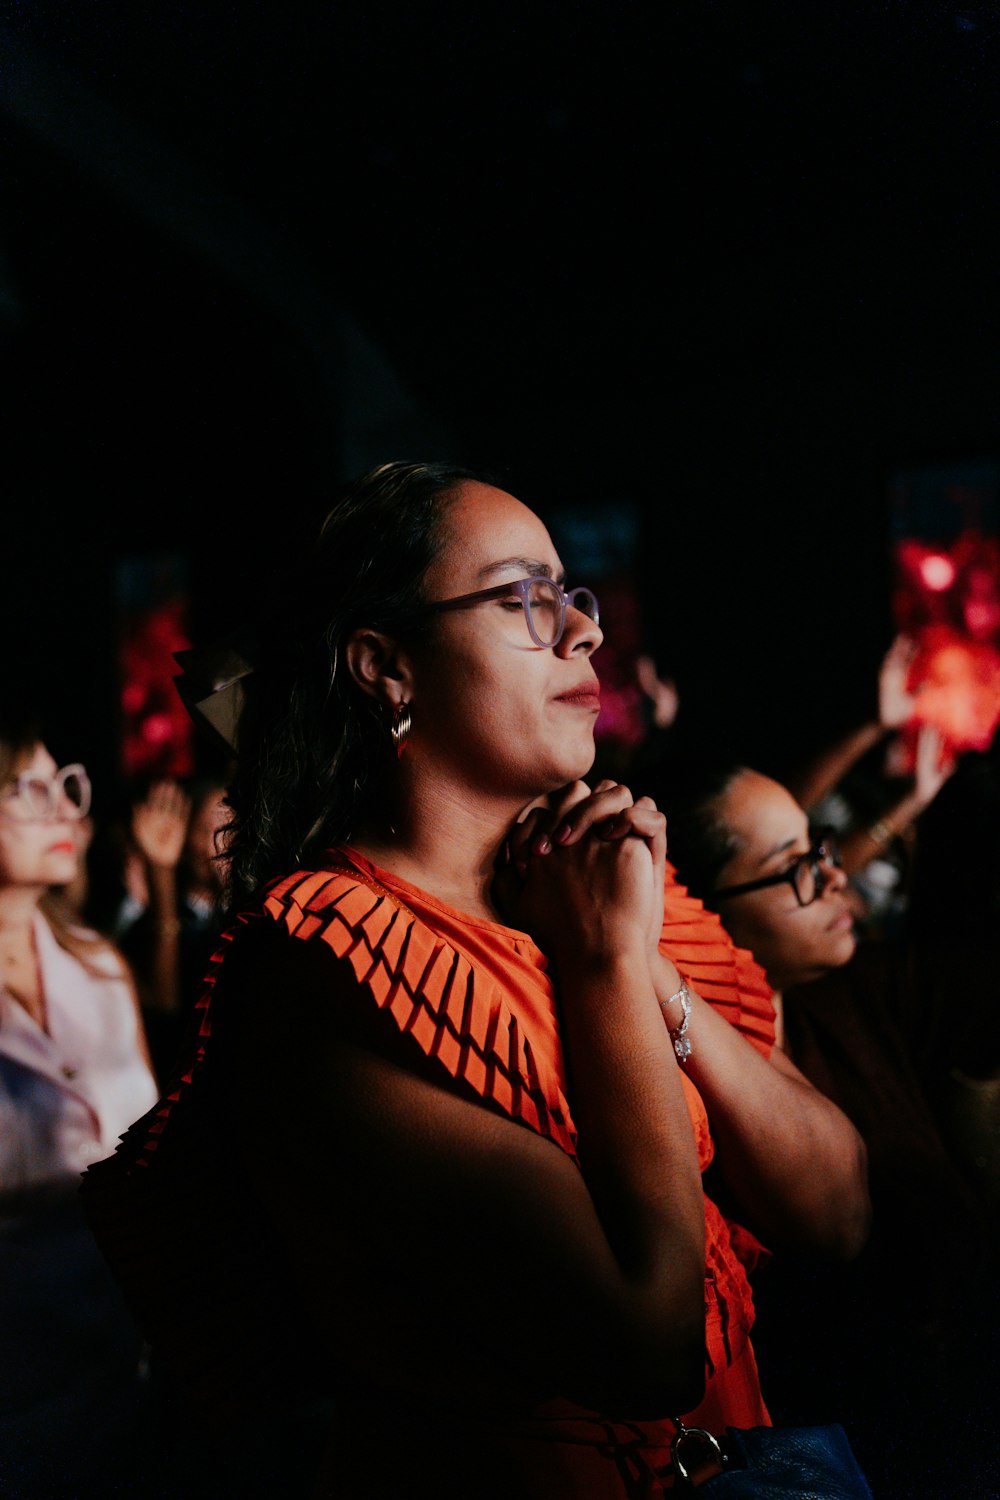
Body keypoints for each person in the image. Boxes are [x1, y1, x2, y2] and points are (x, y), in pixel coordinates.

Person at [80, 461, 870, 1500]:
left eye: (571, 595)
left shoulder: (602, 880)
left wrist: (641, 966)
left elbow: (839, 1209)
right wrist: (598, 970)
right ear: (384, 668)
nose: (582, 631)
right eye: (520, 598)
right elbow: (647, 1337)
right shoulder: (323, 958)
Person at [649, 756, 1000, 1500]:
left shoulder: (850, 990)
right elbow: (841, 1226)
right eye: (795, 865)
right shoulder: (690, 1086)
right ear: (701, 911)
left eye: (821, 849)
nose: (837, 876)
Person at [0, 707, 162, 1499]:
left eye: (67, 784)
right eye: (29, 789)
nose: (67, 807)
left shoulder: (97, 965)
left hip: (132, 1370)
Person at [119, 774, 231, 1084]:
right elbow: (164, 1005)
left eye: (233, 822)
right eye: (212, 827)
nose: (227, 837)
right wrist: (161, 872)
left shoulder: (247, 913)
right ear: (183, 838)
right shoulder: (153, 924)